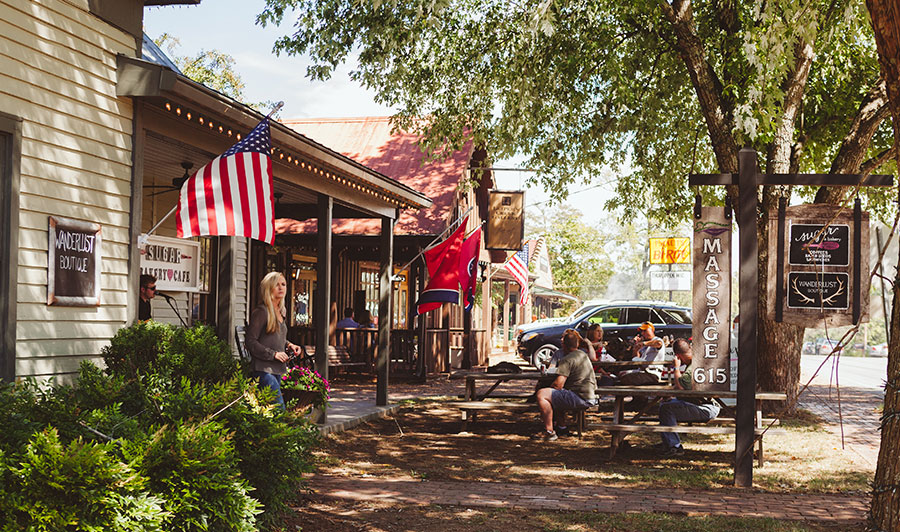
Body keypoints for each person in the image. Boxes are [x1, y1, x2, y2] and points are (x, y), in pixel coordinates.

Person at [246, 272, 303, 409]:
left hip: (277, 370)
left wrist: (289, 345)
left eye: (283, 284)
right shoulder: (261, 312)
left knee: (270, 413)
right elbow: (250, 341)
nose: (281, 288)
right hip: (263, 371)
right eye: (276, 285)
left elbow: (276, 337)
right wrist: (274, 354)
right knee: (279, 410)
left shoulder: (281, 311)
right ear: (268, 288)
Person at [657, 338, 722, 457]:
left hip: (707, 408)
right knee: (665, 406)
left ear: (677, 356)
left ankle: (675, 447)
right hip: (701, 404)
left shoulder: (692, 368)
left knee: (667, 409)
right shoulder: (696, 362)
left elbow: (681, 387)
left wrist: (676, 368)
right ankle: (668, 442)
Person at [531, 329, 597, 441]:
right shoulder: (583, 355)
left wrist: (550, 389)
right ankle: (562, 427)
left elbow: (558, 385)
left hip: (579, 397)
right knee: (555, 396)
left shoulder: (567, 359)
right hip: (590, 396)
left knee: (542, 394)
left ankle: (549, 431)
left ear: (564, 345)